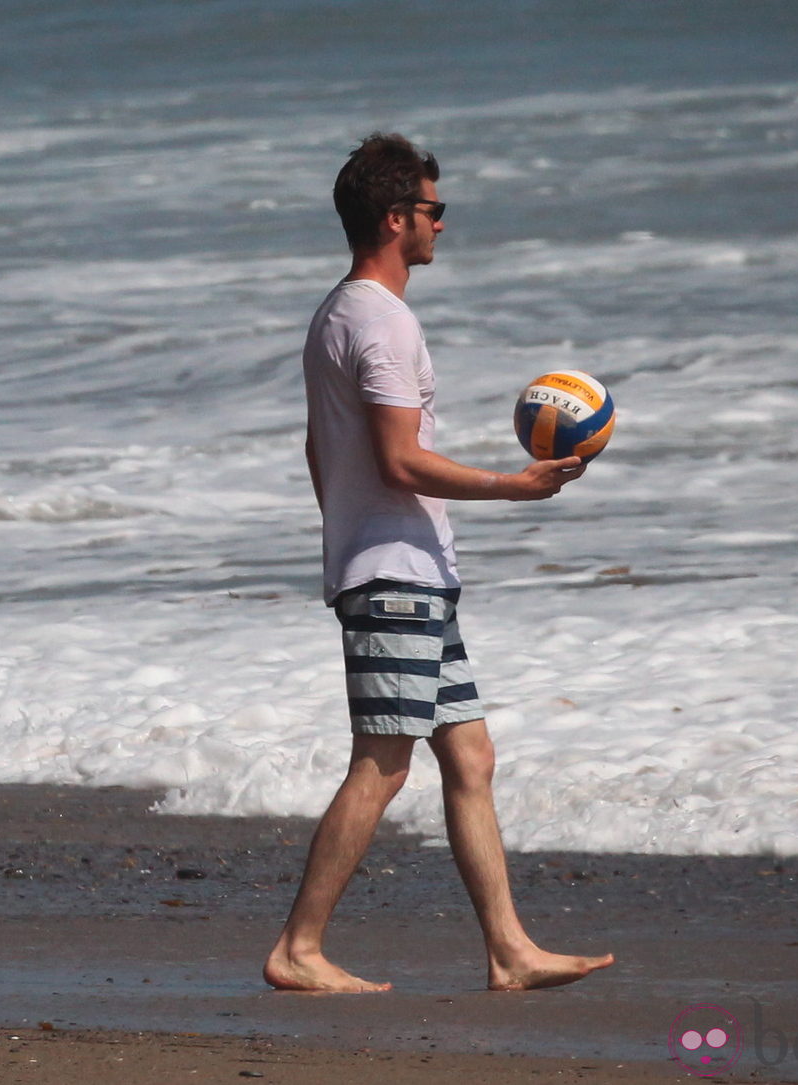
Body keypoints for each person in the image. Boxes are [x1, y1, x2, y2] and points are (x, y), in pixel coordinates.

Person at [263, 133, 614, 994]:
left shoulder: (338, 312)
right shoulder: (380, 321)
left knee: (471, 756)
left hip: (403, 567)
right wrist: (515, 486)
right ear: (396, 219)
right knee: (382, 761)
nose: (441, 226)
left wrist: (350, 535)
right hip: (395, 575)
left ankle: (509, 949)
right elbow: (399, 459)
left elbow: (321, 449)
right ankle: (298, 948)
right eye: (432, 210)